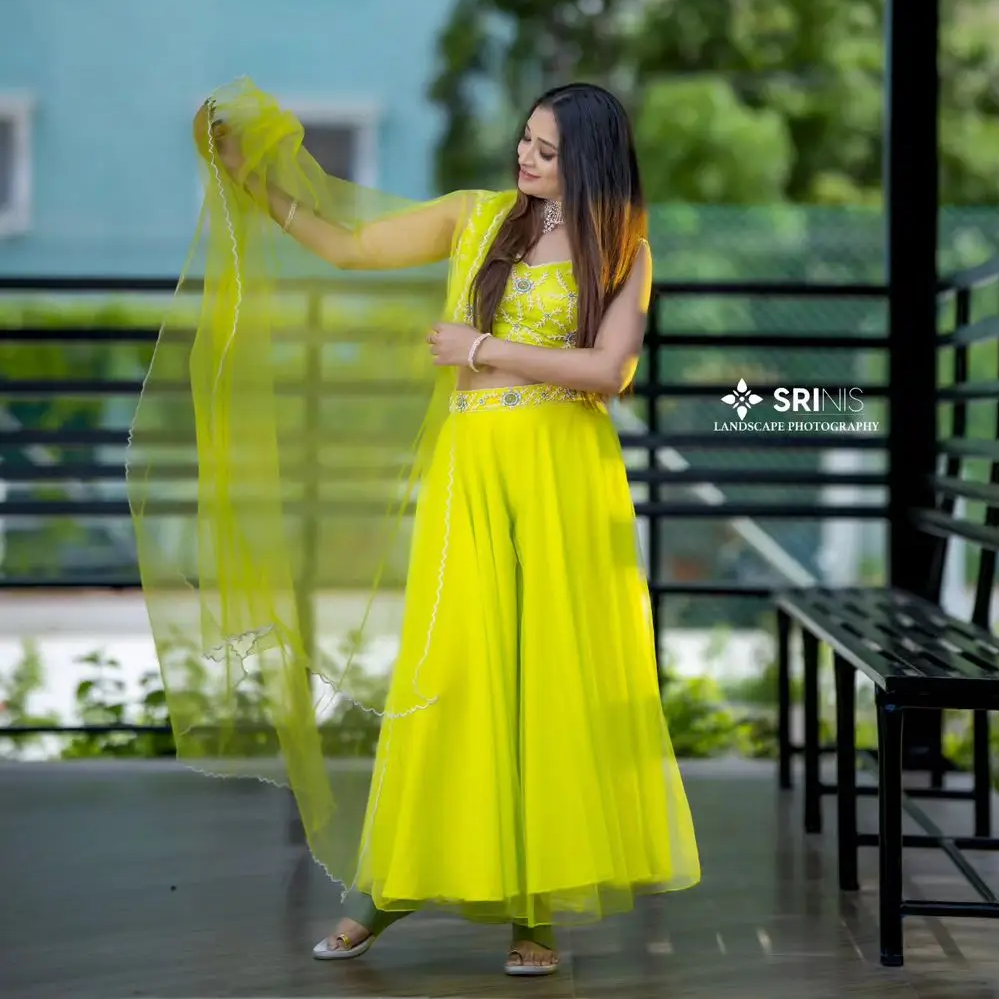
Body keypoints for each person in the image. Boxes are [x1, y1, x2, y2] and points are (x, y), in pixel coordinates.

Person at [136, 78, 699, 978]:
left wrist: (482, 350)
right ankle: (386, 890)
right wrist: (254, 182)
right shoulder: (476, 218)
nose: (526, 157)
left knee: (546, 678)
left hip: (566, 478)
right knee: (452, 670)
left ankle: (536, 910)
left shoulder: (622, 243)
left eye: (548, 152)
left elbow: (610, 370)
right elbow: (350, 246)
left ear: (589, 160)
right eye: (525, 141)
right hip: (472, 469)